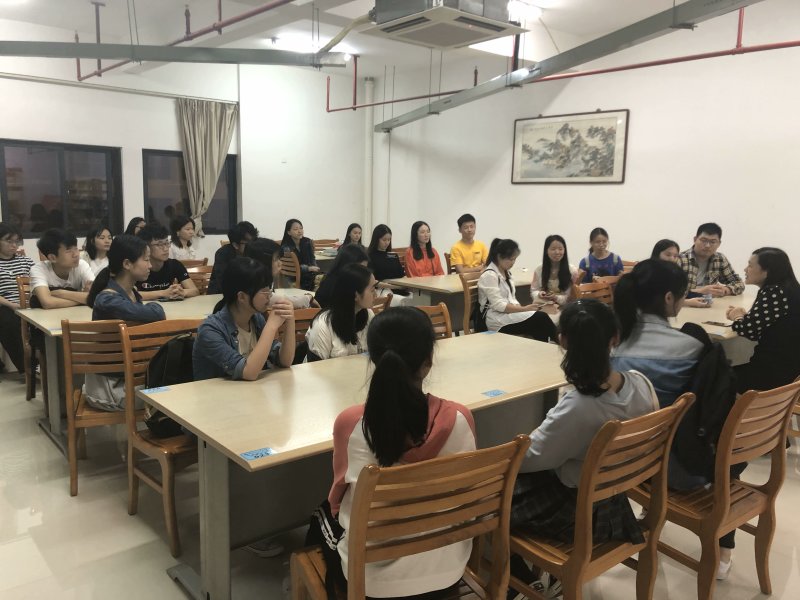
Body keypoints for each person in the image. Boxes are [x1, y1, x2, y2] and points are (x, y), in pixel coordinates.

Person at [328, 306, 477, 598]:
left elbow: (337, 499)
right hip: (447, 569)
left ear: (373, 358)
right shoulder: (461, 418)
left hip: (372, 580)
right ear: (428, 362)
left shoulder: (352, 424)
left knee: (321, 518)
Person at [511, 299, 656, 549]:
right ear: (615, 337)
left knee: (493, 497)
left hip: (576, 511)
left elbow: (530, 459)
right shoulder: (642, 383)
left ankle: (511, 567)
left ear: (562, 341)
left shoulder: (579, 407)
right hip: (615, 501)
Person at [83, 235, 166, 411]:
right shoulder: (108, 300)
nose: (150, 265)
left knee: (179, 381)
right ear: (127, 264)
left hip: (127, 381)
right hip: (110, 390)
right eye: (146, 260)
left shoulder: (130, 292)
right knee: (176, 393)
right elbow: (157, 313)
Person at [611, 259, 704, 408]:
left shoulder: (610, 344)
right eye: (684, 294)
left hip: (614, 420)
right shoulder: (692, 348)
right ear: (669, 298)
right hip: (668, 421)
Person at [193, 256, 295, 381]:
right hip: (216, 393)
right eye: (264, 291)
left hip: (251, 391)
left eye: (270, 289)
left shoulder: (256, 319)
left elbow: (285, 361)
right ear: (241, 297)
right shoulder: (210, 330)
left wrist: (290, 319)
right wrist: (271, 326)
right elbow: (248, 373)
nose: (269, 296)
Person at [727, 248, 800, 394]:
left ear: (766, 271)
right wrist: (747, 317)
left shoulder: (774, 292)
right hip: (792, 372)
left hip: (771, 374)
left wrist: (737, 317)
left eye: (750, 265)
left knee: (715, 375)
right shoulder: (791, 289)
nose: (745, 269)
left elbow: (749, 331)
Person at [478, 239, 556, 342]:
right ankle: (562, 342)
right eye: (510, 259)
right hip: (496, 320)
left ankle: (548, 347)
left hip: (507, 315)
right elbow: (499, 306)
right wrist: (524, 309)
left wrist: (526, 309)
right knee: (540, 318)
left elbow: (512, 299)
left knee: (538, 325)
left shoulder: (506, 273)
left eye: (514, 259)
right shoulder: (490, 275)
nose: (513, 263)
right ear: (499, 257)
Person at [306, 264, 375, 361]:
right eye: (372, 290)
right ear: (356, 295)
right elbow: (315, 367)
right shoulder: (322, 325)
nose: (376, 294)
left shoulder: (369, 315)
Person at [0, 223, 34, 373]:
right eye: (9, 241)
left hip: (29, 304)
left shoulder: (25, 261)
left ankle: (47, 363)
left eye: (16, 241)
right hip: (6, 306)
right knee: (8, 322)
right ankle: (27, 368)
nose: (14, 245)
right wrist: (12, 305)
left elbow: (39, 281)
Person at [244, 237, 316, 309]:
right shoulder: (259, 293)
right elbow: (294, 303)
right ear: (263, 262)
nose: (280, 263)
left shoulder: (257, 282)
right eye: (276, 259)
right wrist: (309, 297)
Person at [31, 229, 95, 308]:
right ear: (52, 258)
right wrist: (83, 299)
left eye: (76, 248)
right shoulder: (39, 269)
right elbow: (47, 303)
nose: (76, 254)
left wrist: (61, 293)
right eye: (68, 251)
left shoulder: (81, 265)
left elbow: (97, 296)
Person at [678, 223, 744, 297]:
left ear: (719, 243)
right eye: (703, 240)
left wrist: (725, 290)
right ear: (695, 239)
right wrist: (700, 291)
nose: (707, 245)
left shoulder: (720, 259)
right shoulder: (680, 259)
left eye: (713, 242)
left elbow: (739, 283)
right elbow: (671, 290)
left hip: (710, 303)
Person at [135, 223, 199, 300]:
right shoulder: (137, 267)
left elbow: (194, 291)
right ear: (146, 247)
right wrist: (163, 293)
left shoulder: (175, 265)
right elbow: (130, 295)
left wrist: (182, 292)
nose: (165, 248)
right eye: (159, 244)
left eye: (166, 243)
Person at [651, 239, 712, 308]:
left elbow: (680, 293)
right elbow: (652, 299)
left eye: (675, 256)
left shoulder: (672, 273)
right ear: (657, 254)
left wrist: (702, 297)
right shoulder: (649, 273)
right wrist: (687, 302)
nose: (672, 259)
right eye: (668, 255)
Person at [208, 221, 259, 294]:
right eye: (248, 243)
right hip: (221, 294)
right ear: (235, 245)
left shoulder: (255, 252)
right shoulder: (223, 254)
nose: (252, 245)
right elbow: (221, 280)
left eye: (254, 241)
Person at [315, 244, 369, 310]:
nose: (363, 274)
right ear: (347, 266)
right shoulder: (334, 283)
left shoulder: (350, 280)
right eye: (360, 270)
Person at [530, 234, 580, 306]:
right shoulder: (539, 269)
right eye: (553, 249)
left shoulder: (572, 271)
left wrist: (556, 298)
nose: (557, 252)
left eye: (560, 249)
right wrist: (539, 294)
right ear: (546, 251)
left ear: (564, 250)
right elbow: (534, 290)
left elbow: (571, 297)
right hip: (544, 305)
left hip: (565, 307)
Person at [281, 218, 319, 291]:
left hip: (309, 274)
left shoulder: (307, 241)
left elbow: (312, 258)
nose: (299, 231)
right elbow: (292, 268)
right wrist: (308, 268)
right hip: (294, 276)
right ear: (289, 232)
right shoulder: (286, 247)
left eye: (301, 228)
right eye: (295, 229)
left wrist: (314, 267)